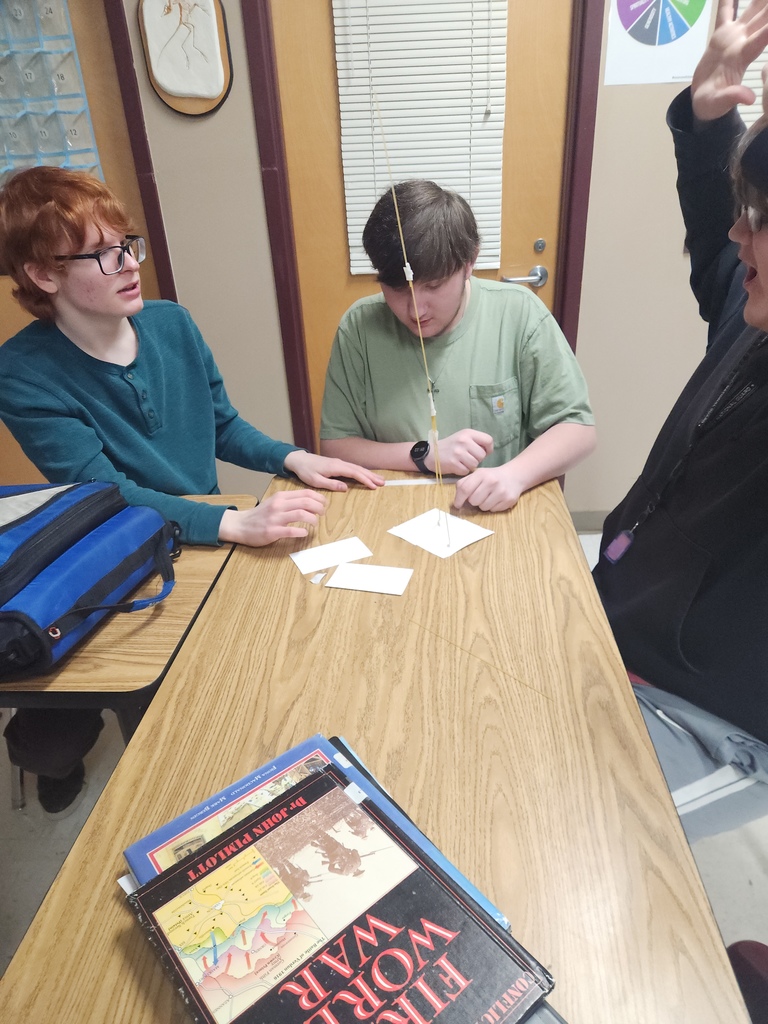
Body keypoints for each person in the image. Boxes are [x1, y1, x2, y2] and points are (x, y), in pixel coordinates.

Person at [0, 165, 384, 812]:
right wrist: (235, 523)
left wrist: (295, 457)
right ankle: (52, 750)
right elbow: (108, 491)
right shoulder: (21, 373)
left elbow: (224, 427)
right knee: (89, 720)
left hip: (203, 533)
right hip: (118, 546)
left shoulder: (172, 324)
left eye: (128, 244)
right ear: (44, 275)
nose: (128, 265)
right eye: (103, 254)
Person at [593, 0, 768, 746]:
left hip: (698, 698)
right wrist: (707, 123)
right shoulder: (751, 307)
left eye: (758, 219)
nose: (738, 232)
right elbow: (716, 253)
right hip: (625, 612)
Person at [319, 180, 596, 513]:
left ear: (469, 263)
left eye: (433, 286)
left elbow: (577, 429)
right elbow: (335, 446)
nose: (415, 310)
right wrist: (423, 455)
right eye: (397, 289)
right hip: (392, 511)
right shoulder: (359, 328)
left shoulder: (519, 313)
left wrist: (514, 476)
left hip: (493, 512)